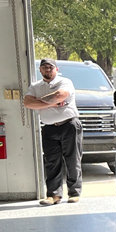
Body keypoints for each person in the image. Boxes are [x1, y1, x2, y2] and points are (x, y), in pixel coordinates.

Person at [23, 59, 82, 205]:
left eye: (50, 67)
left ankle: (74, 193)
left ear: (56, 69)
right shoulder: (36, 86)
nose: (47, 69)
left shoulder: (64, 82)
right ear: (40, 70)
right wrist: (53, 103)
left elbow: (60, 95)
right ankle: (53, 195)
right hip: (49, 128)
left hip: (69, 125)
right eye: (44, 67)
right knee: (51, 162)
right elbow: (28, 103)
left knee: (72, 159)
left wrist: (41, 103)